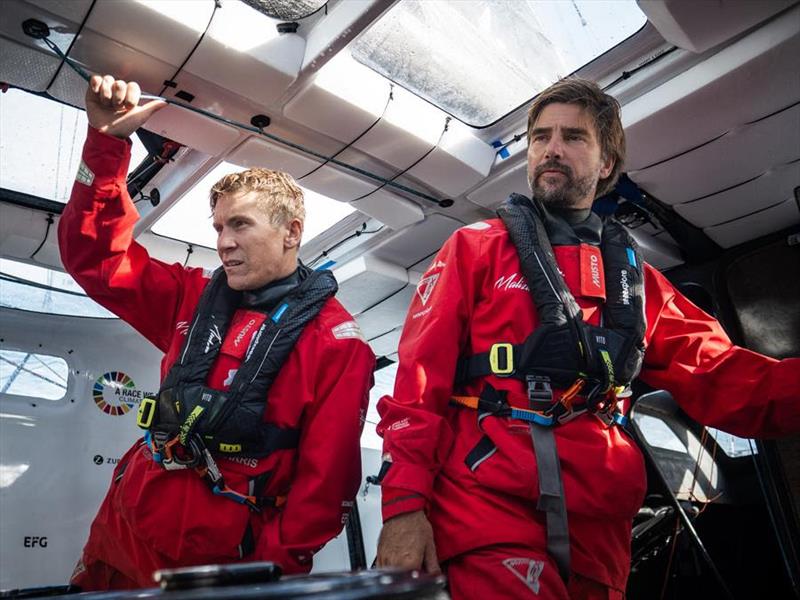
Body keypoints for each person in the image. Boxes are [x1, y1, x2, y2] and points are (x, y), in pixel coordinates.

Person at [374, 77, 800, 600]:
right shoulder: (474, 249)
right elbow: (418, 386)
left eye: (573, 137)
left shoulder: (639, 284)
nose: (552, 149)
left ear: (605, 165)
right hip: (488, 511)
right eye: (541, 138)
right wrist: (402, 509)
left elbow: (729, 380)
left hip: (600, 527)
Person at [59, 75, 375, 590]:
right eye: (219, 228)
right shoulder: (191, 297)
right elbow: (94, 257)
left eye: (241, 225)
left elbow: (324, 492)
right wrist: (106, 140)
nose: (224, 242)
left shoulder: (337, 344)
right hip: (120, 537)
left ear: (291, 231)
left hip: (218, 569)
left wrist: (258, 575)